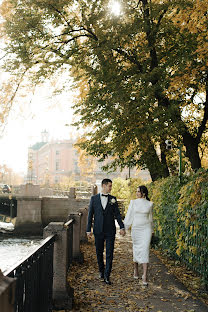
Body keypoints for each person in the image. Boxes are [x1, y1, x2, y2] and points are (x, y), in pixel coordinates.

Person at [86, 178, 125, 285]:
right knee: (99, 253)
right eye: (109, 186)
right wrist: (88, 230)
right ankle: (101, 271)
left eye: (111, 186)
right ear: (103, 186)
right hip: (98, 230)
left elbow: (117, 214)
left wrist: (122, 227)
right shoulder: (94, 199)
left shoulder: (113, 199)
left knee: (109, 253)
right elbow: (90, 215)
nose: (111, 188)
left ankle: (107, 276)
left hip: (110, 231)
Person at [124, 185, 153, 286]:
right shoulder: (133, 202)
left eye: (138, 192)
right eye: (136, 191)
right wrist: (125, 227)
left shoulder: (150, 204)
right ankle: (135, 269)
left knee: (145, 250)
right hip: (136, 229)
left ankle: (145, 275)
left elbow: (151, 218)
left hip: (146, 229)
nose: (136, 193)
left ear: (144, 193)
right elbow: (129, 215)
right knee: (136, 249)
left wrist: (152, 230)